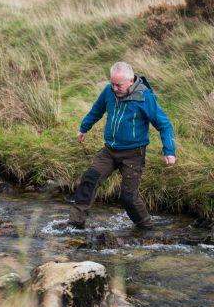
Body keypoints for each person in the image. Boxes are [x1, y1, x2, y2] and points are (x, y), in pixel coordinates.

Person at [69, 61, 176, 229]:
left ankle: (146, 227)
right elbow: (97, 110)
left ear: (131, 81)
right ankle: (75, 223)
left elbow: (164, 125)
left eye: (118, 85)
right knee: (89, 180)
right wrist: (84, 128)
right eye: (112, 84)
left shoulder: (145, 97)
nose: (114, 88)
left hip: (134, 154)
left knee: (128, 197)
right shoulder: (109, 92)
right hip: (109, 151)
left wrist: (169, 151)